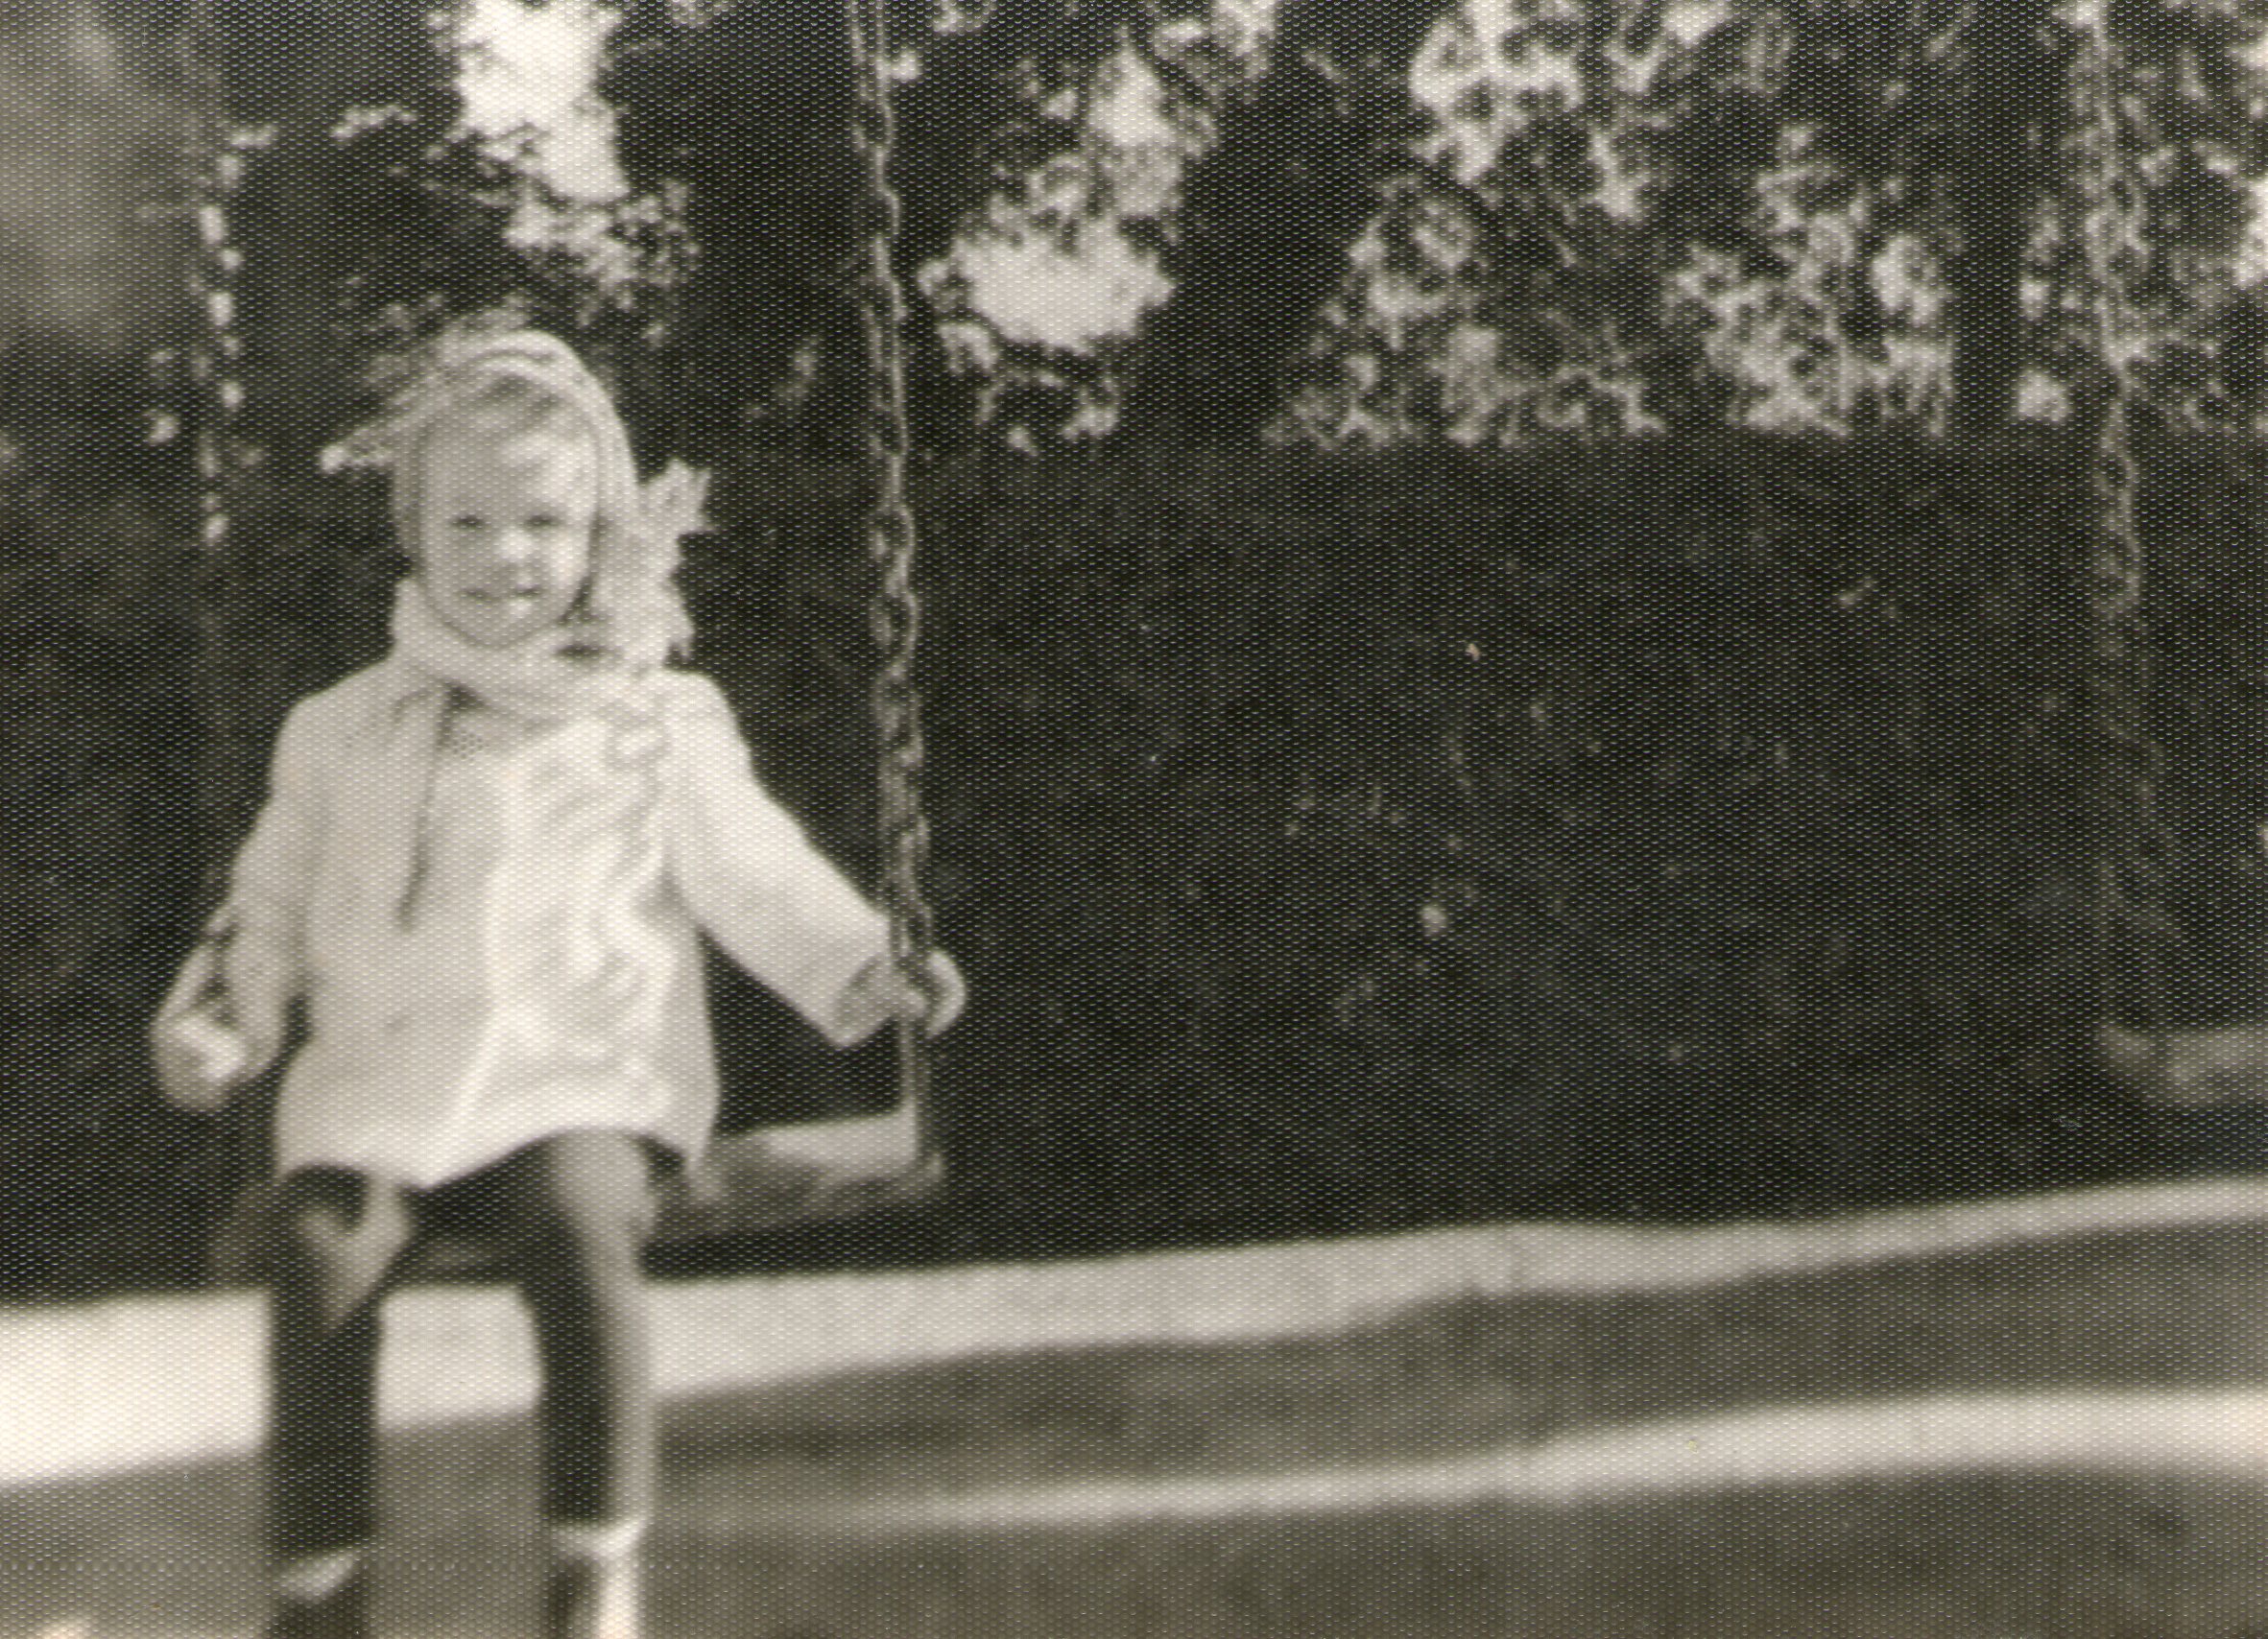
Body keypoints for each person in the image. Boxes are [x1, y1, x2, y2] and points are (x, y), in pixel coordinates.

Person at [151, 327, 964, 1639]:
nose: (504, 556)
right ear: (411, 529)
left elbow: (753, 870)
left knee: (581, 1229)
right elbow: (270, 904)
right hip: (377, 1096)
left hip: (580, 1077)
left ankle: (594, 1569)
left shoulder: (653, 720)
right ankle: (319, 1594)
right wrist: (221, 1023)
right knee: (315, 1253)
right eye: (465, 521)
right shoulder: (341, 728)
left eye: (544, 521)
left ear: (599, 539)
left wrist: (867, 963)